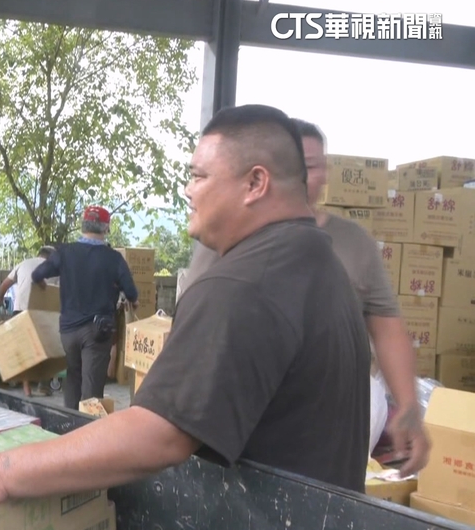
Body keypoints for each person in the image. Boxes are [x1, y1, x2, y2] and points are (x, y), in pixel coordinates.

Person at [0, 104, 372, 526]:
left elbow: (156, 434)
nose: (189, 191)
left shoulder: (244, 283)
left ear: (255, 183)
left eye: (199, 176)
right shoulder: (322, 265)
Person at [183, 119, 430, 476]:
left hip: (331, 425)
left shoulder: (354, 244)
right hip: (245, 418)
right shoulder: (226, 238)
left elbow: (387, 327)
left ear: (324, 173)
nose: (302, 175)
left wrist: (409, 408)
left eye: (311, 166)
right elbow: (193, 329)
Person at [30, 207, 138, 409]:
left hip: (68, 330)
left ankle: (69, 425)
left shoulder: (64, 252)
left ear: (82, 225)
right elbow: (131, 291)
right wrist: (133, 300)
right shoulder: (113, 258)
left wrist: (44, 285)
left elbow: (37, 275)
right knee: (92, 386)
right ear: (106, 228)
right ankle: (88, 429)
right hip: (98, 331)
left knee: (73, 376)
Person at [0, 246, 58, 396]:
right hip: (43, 312)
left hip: (20, 310)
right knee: (46, 349)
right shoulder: (54, 268)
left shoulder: (23, 263)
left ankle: (26, 387)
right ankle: (43, 386)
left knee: (24, 349)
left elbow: (5, 284)